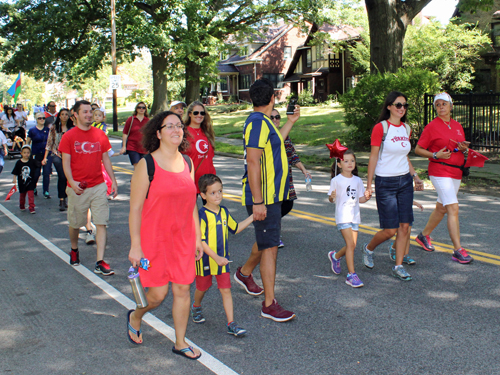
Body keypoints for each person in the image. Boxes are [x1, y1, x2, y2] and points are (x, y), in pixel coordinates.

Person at [127, 111, 203, 360]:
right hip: (154, 241)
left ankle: (180, 342)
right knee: (157, 295)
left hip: (182, 239)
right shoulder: (146, 164)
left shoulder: (188, 163)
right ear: (158, 133)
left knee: (182, 290)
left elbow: (192, 202)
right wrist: (135, 246)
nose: (176, 130)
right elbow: (135, 208)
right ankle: (136, 315)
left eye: (179, 126)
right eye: (169, 126)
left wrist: (198, 238)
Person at [234, 78, 299, 322]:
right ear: (272, 98)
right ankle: (269, 304)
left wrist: (290, 122)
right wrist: (259, 201)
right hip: (264, 197)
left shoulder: (263, 123)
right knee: (270, 248)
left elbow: (272, 148)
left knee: (268, 244)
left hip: (271, 196)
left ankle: (245, 273)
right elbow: (252, 161)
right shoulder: (258, 123)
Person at [363, 91, 424, 281]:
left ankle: (398, 266)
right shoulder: (380, 128)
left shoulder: (406, 129)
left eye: (405, 105)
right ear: (389, 106)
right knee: (390, 230)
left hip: (404, 181)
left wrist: (415, 176)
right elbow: (373, 156)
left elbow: (404, 156)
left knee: (405, 226)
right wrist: (369, 184)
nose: (402, 109)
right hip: (385, 182)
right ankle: (368, 249)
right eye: (398, 105)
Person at [59, 100, 118, 275]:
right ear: (75, 115)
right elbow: (66, 162)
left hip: (98, 185)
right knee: (75, 224)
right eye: (84, 112)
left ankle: (100, 261)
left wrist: (112, 181)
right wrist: (72, 181)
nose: (89, 115)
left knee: (101, 222)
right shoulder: (69, 136)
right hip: (77, 187)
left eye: (90, 112)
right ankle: (74, 248)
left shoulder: (100, 135)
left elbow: (106, 159)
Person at [192, 174, 253, 337]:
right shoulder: (202, 215)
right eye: (213, 193)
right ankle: (196, 306)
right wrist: (216, 258)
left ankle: (231, 323)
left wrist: (253, 217)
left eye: (220, 191)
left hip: (223, 261)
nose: (217, 195)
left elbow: (236, 228)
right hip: (205, 260)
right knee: (202, 287)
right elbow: (201, 240)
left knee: (226, 290)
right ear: (203, 195)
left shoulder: (224, 211)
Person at [414, 92, 473, 264]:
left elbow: (460, 147)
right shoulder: (431, 126)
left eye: (444, 104)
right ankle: (457, 250)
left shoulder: (457, 125)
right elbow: (418, 149)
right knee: (453, 208)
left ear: (451, 106)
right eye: (438, 104)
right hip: (439, 171)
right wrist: (435, 154)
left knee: (442, 208)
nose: (441, 107)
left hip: (456, 172)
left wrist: (463, 149)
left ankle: (423, 236)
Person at [327, 150, 371, 288]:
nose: (350, 163)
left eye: (352, 160)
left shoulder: (357, 180)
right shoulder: (336, 180)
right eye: (346, 161)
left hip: (355, 216)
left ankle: (335, 257)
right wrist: (332, 196)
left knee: (352, 245)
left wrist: (367, 196)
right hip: (342, 216)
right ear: (339, 164)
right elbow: (331, 199)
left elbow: (360, 199)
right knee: (351, 245)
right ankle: (351, 275)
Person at [269, 108, 310, 248]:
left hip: (286, 178)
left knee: (287, 204)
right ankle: (274, 234)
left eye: (277, 117)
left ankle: (270, 224)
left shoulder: (285, 135)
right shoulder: (266, 136)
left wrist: (304, 170)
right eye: (271, 117)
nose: (275, 120)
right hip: (272, 179)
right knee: (275, 206)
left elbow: (292, 155)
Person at [181, 101, 216, 199]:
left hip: (208, 180)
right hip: (190, 180)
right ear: (190, 114)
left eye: (202, 113)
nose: (199, 115)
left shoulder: (207, 132)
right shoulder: (183, 133)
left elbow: (210, 157)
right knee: (191, 212)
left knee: (211, 212)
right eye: (196, 113)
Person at [43, 109, 74, 211]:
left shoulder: (72, 128)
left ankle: (69, 198)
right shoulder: (54, 127)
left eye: (66, 114)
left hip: (70, 155)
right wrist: (45, 157)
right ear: (59, 116)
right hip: (57, 154)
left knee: (69, 176)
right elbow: (49, 142)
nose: (64, 116)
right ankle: (62, 199)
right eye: (62, 114)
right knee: (62, 176)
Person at [388, 200, 424, 265]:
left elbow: (408, 196)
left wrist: (415, 203)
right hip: (398, 210)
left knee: (408, 233)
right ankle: (393, 248)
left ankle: (405, 255)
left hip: (408, 210)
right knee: (402, 234)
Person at [27, 113, 51, 198]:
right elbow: (28, 142)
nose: (42, 120)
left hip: (47, 154)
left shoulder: (48, 130)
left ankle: (46, 191)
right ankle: (33, 187)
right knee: (36, 173)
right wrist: (27, 153)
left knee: (46, 173)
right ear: (36, 119)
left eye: (43, 118)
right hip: (36, 154)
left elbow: (50, 142)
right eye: (39, 118)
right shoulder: (32, 130)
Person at [12, 145, 40, 214]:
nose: (26, 154)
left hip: (30, 182)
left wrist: (43, 162)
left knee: (31, 195)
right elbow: (15, 172)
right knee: (22, 195)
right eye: (24, 152)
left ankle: (31, 207)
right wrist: (14, 179)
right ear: (21, 153)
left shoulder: (32, 161)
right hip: (22, 182)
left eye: (28, 153)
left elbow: (39, 164)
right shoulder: (19, 162)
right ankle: (22, 205)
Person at [120, 102, 148, 169]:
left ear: (145, 110)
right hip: (132, 147)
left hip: (144, 147)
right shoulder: (131, 119)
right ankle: (137, 179)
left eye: (143, 108)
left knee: (143, 167)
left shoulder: (148, 121)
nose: (141, 109)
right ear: (136, 109)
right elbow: (125, 133)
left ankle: (136, 179)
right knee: (137, 166)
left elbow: (150, 135)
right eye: (139, 107)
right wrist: (124, 146)